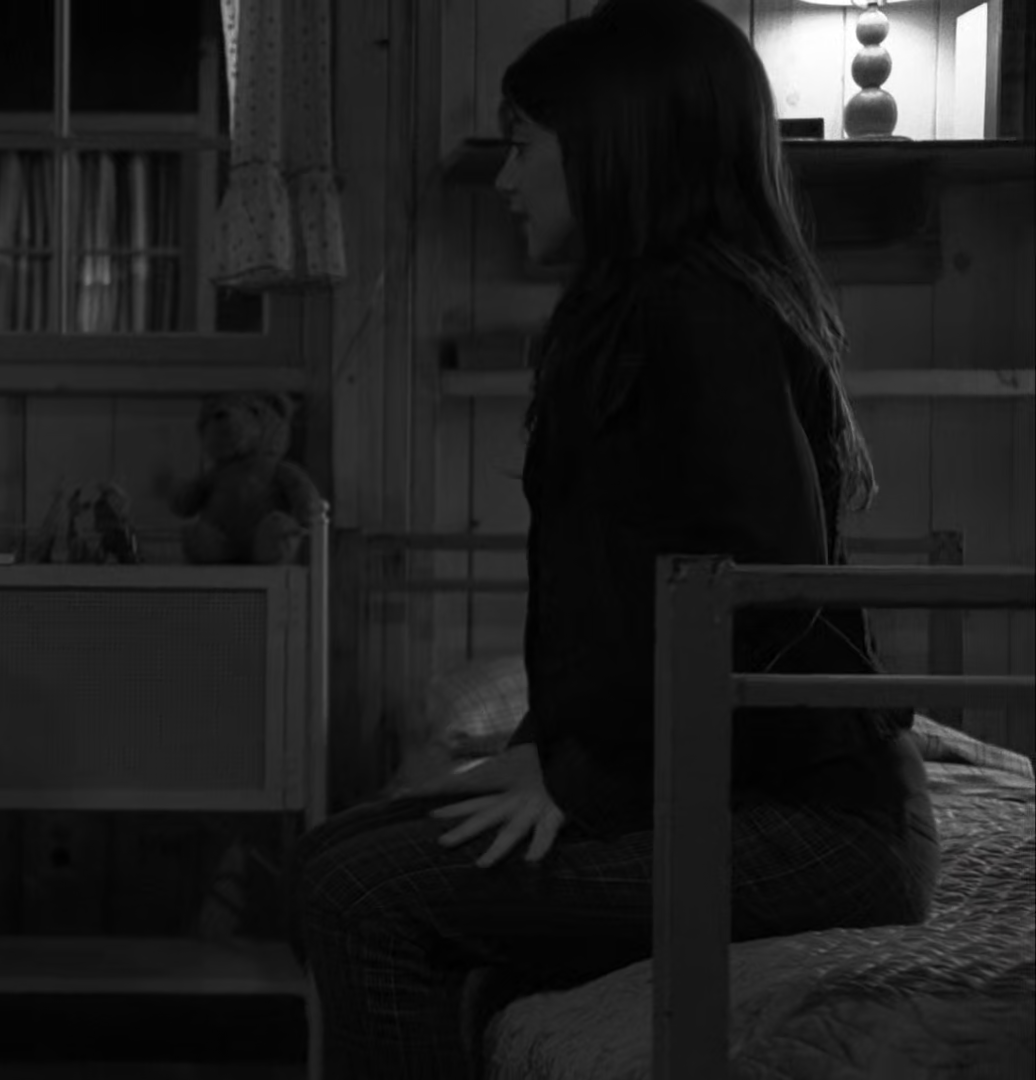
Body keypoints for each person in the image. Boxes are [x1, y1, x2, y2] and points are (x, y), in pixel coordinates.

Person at [284, 1, 940, 1075]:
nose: (506, 178)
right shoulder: (633, 309)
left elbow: (756, 598)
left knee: (361, 892)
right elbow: (607, 619)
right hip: (723, 788)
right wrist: (543, 747)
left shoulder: (702, 313)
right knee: (333, 856)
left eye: (526, 145)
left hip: (819, 824)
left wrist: (586, 787)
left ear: (613, 147)